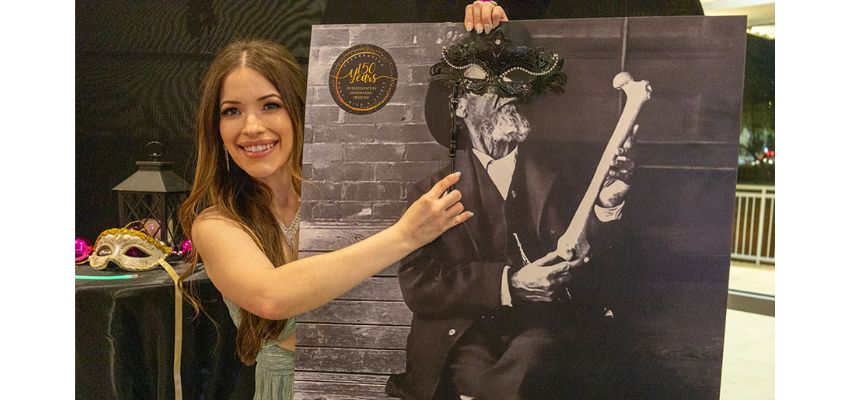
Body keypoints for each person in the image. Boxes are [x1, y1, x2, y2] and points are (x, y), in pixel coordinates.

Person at [177, 3, 509, 400]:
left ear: (299, 110)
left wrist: (484, 38)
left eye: (270, 105)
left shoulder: (346, 200)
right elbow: (272, 295)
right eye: (232, 111)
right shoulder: (217, 224)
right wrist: (405, 235)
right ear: (216, 128)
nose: (252, 127)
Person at [386, 24, 637, 400]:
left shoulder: (563, 175)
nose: (511, 92)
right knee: (474, 380)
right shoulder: (430, 193)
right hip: (465, 332)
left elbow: (596, 258)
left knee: (528, 371)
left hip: (543, 327)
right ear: (459, 104)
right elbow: (420, 284)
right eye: (490, 83)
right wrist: (510, 284)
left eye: (516, 82)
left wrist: (608, 203)